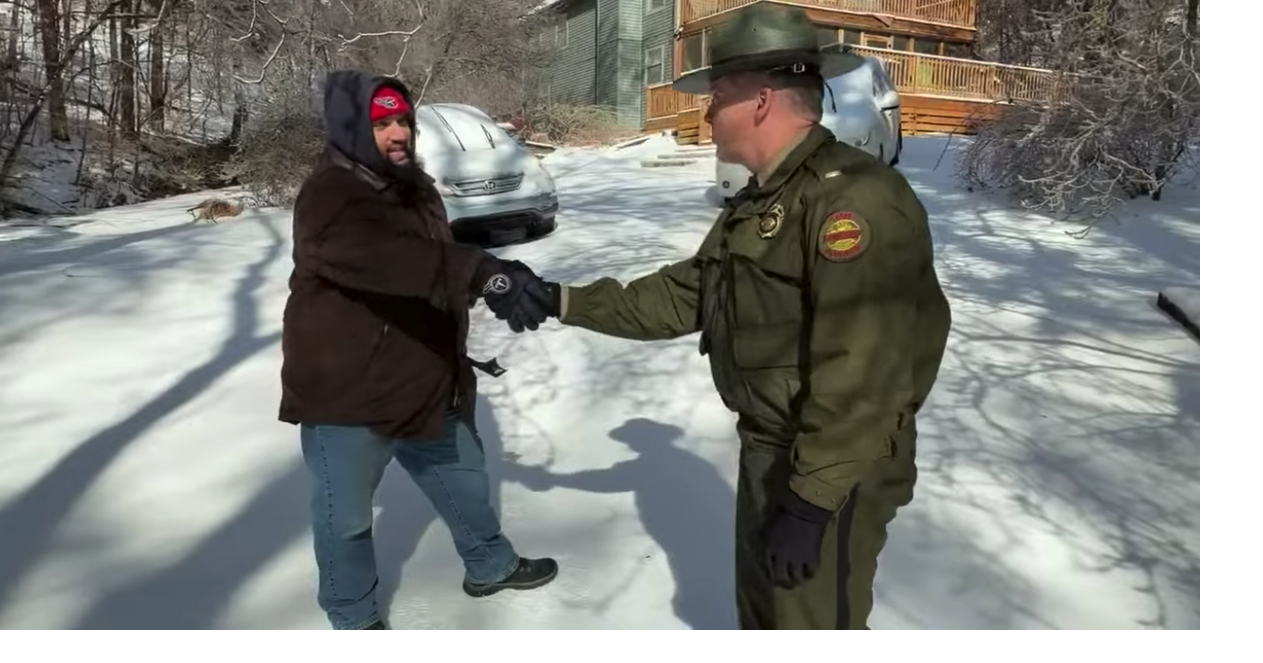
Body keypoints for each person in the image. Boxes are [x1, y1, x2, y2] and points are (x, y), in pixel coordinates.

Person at [516, 3, 953, 630]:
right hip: (773, 454)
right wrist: (561, 299)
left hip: (833, 466)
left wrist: (811, 504)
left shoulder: (852, 201)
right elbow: (687, 293)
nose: (706, 113)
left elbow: (864, 374)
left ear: (760, 100)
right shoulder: (763, 200)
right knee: (763, 613)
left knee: (807, 621)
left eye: (716, 97)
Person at [279, 69, 558, 631]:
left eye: (403, 120)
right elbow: (388, 260)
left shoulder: (415, 186)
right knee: (345, 519)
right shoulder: (329, 196)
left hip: (424, 376)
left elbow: (432, 260)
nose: (399, 133)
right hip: (348, 393)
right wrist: (479, 272)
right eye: (382, 123)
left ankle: (489, 565)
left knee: (464, 478)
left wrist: (493, 277)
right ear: (352, 129)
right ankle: (353, 617)